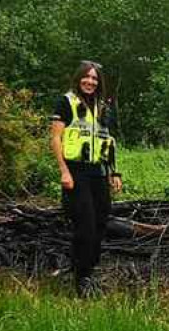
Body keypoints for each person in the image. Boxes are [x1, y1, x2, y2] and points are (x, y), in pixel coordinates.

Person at [49, 60, 122, 298]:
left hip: (98, 172)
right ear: (79, 78)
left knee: (101, 221)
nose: (90, 82)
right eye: (86, 77)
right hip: (75, 172)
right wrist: (64, 171)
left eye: (94, 79)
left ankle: (87, 267)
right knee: (85, 225)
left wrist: (114, 172)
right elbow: (56, 138)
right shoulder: (66, 102)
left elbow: (108, 142)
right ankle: (83, 280)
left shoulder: (104, 108)